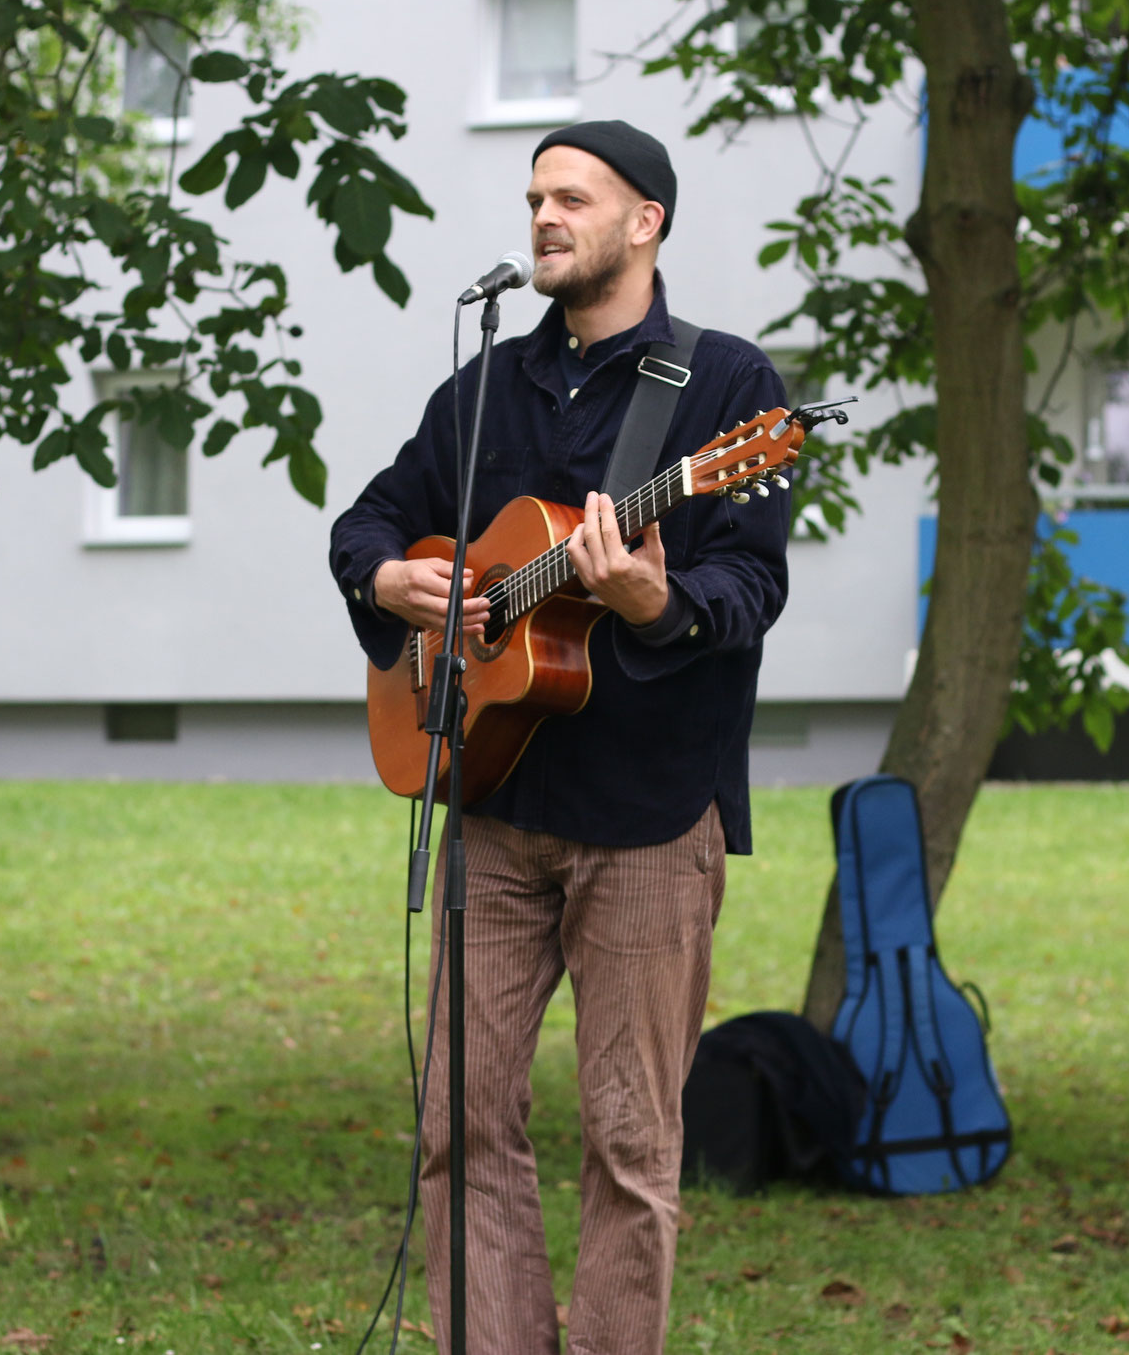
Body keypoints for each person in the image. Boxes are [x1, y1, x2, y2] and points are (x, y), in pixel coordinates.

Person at [328, 119, 792, 1355]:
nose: (542, 217)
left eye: (572, 198)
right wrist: (392, 584)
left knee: (630, 1144)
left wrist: (654, 599)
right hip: (490, 803)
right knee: (457, 1124)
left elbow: (750, 590)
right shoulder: (484, 391)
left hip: (644, 818)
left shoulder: (727, 391)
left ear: (645, 222)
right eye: (534, 196)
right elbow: (372, 518)